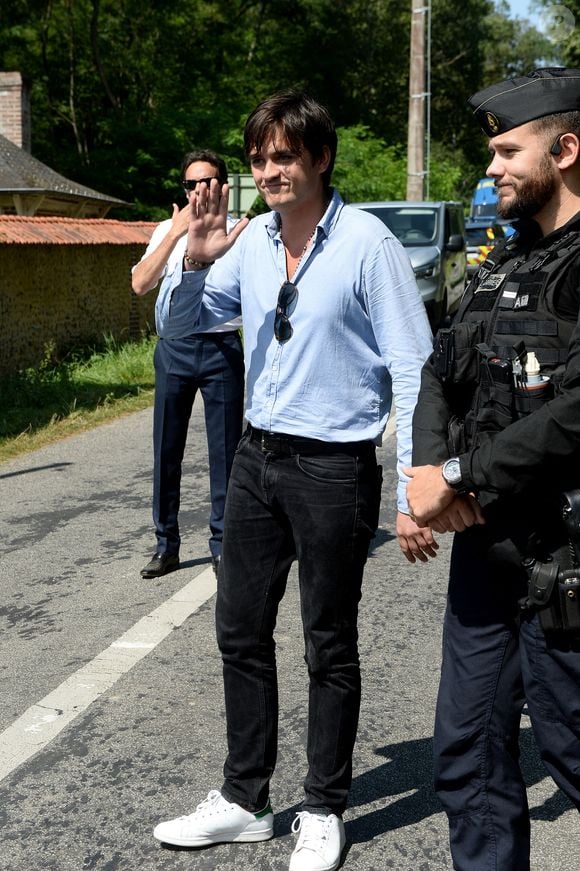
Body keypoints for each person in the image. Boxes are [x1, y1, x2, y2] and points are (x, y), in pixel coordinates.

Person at [152, 90, 434, 870]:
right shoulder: (249, 243)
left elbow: (412, 367)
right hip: (256, 458)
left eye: (284, 155)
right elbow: (183, 325)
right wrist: (195, 256)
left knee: (326, 641)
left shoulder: (368, 245)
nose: (270, 170)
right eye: (259, 158)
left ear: (319, 158)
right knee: (239, 629)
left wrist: (415, 481)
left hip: (333, 467)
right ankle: (246, 799)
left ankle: (323, 805)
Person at [405, 67, 580, 870]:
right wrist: (425, 479)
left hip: (567, 564)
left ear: (566, 149)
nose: (492, 167)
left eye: (509, 150)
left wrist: (462, 477)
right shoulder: (499, 266)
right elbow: (440, 374)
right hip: (486, 562)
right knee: (469, 756)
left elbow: (573, 416)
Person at [132, 150, 244, 579]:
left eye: (208, 181)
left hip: (220, 349)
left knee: (226, 453)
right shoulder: (167, 228)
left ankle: (222, 544)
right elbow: (141, 283)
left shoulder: (239, 233)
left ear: (222, 185)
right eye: (191, 184)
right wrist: (176, 232)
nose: (199, 190)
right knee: (167, 450)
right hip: (174, 348)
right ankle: (166, 544)